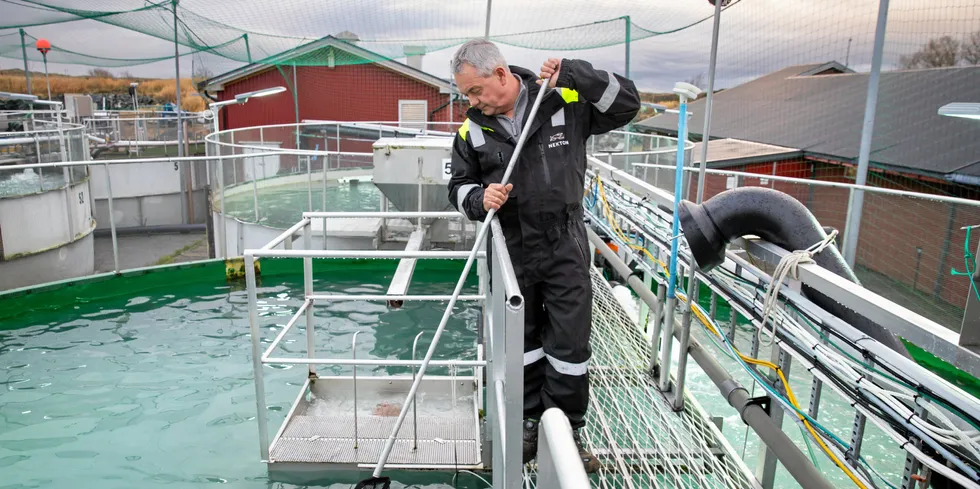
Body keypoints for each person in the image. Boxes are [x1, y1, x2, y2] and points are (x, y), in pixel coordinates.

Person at [446, 39, 640, 472]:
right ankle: (531, 423)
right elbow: (456, 188)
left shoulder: (562, 100)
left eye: (475, 91)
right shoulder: (471, 131)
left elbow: (627, 103)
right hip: (512, 245)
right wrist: (479, 198)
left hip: (565, 239)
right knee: (525, 340)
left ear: (500, 74)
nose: (472, 102)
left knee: (570, 341)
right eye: (467, 96)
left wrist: (574, 73)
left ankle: (568, 429)